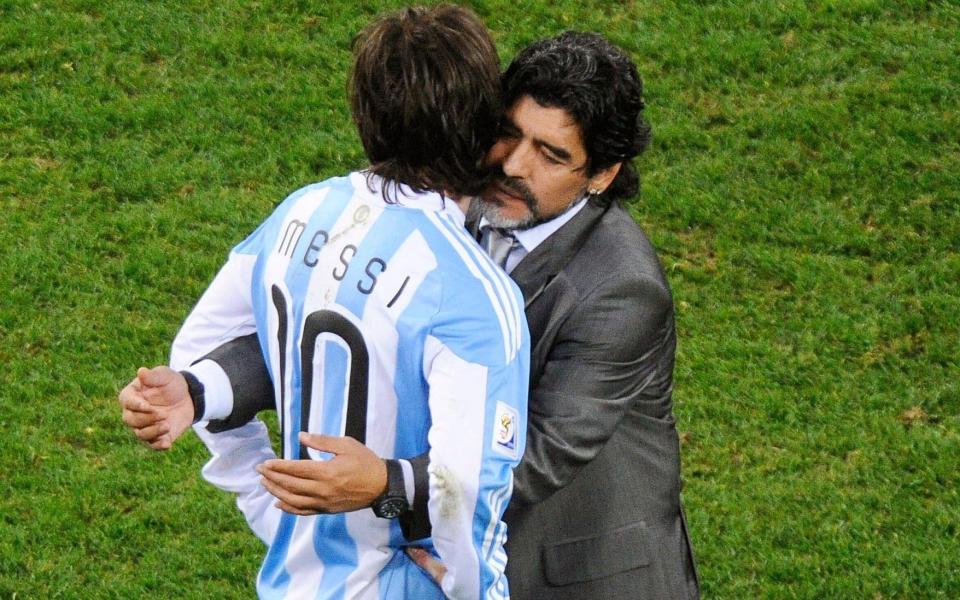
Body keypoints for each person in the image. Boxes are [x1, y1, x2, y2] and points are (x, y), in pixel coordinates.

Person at [123, 31, 700, 600]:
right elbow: (358, 329)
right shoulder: (452, 206)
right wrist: (202, 390)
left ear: (602, 175)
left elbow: (531, 458)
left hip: (573, 578)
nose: (514, 164)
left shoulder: (622, 290)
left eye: (551, 154)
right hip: (451, 559)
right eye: (507, 132)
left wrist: (384, 487)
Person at [119, 6, 530, 599]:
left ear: (365, 113)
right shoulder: (474, 294)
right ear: (479, 123)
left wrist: (268, 506)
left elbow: (194, 357)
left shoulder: (298, 214)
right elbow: (465, 485)